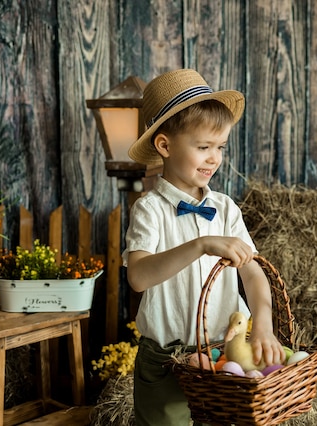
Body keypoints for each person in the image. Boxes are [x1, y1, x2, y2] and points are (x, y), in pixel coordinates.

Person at [122, 69, 284, 426]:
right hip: (165, 358)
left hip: (223, 351)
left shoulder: (225, 209)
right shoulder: (149, 209)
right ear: (164, 146)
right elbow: (138, 277)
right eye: (203, 147)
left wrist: (264, 325)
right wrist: (199, 245)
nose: (214, 158)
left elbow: (253, 273)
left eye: (220, 147)